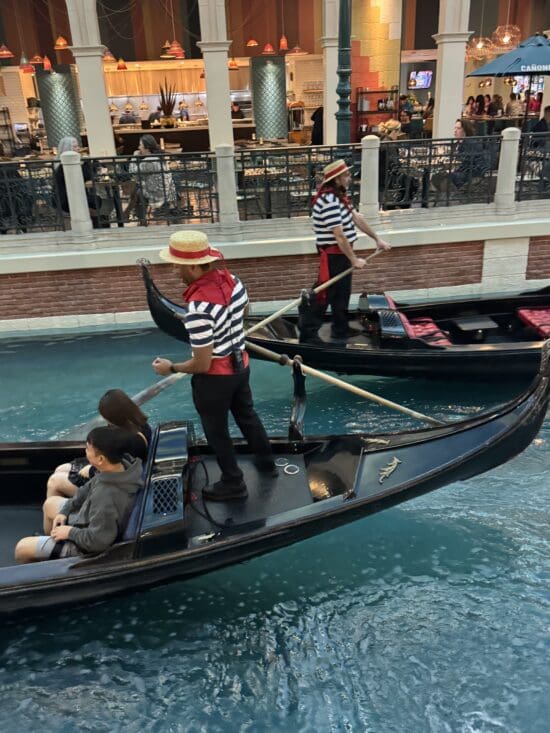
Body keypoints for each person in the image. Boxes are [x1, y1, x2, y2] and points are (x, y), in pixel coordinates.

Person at [152, 230, 276, 502]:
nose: (175, 271)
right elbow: (243, 311)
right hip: (241, 365)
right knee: (248, 416)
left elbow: (201, 363)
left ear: (195, 266)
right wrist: (223, 327)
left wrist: (171, 368)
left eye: (178, 265)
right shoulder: (234, 281)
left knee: (217, 431)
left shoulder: (197, 309)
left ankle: (233, 484)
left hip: (216, 379)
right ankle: (268, 465)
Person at [15, 426, 143, 562]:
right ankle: (52, 539)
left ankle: (52, 561)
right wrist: (65, 511)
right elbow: (85, 490)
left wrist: (69, 532)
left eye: (88, 448)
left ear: (100, 459)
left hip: (87, 545)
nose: (85, 451)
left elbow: (98, 541)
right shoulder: (120, 466)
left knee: (22, 548)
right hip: (87, 521)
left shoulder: (106, 497)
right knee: (49, 504)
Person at [298, 160, 391, 344]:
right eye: (346, 175)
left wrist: (377, 239)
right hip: (333, 256)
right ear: (337, 178)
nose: (349, 178)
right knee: (325, 294)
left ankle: (340, 329)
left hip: (340, 255)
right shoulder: (329, 201)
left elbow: (357, 219)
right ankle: (308, 334)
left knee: (342, 294)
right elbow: (339, 236)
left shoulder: (340, 197)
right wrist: (354, 259)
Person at [47, 389, 151, 499]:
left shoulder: (131, 440)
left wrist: (91, 470)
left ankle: (59, 512)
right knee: (60, 469)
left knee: (54, 482)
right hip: (108, 471)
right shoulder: (140, 426)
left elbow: (118, 469)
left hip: (110, 485)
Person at [53, 136, 107, 229]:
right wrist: (87, 162)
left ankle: (96, 225)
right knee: (95, 201)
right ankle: (96, 226)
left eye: (77, 146)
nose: (78, 149)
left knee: (96, 200)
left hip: (72, 196)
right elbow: (85, 176)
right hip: (66, 199)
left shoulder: (63, 164)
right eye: (74, 147)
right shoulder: (64, 166)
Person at [126, 134, 177, 224]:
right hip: (166, 190)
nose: (139, 147)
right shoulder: (158, 157)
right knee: (136, 191)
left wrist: (134, 156)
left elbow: (132, 172)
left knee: (137, 192)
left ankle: (138, 218)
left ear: (147, 147)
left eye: (140, 145)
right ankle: (129, 214)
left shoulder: (149, 161)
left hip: (157, 193)